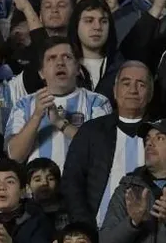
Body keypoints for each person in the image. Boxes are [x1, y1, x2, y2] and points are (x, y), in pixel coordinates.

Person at [63, 61, 152, 228]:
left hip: (148, 233)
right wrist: (85, 227)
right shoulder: (91, 132)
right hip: (97, 229)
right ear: (115, 91)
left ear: (150, 94)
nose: (133, 90)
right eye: (126, 83)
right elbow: (72, 182)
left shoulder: (161, 134)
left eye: (141, 84)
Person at [6, 37, 113, 170]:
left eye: (67, 57)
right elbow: (15, 156)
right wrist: (36, 116)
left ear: (78, 68)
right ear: (41, 73)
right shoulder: (23, 104)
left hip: (82, 185)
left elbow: (100, 150)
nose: (60, 63)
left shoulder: (97, 102)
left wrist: (60, 123)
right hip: (38, 187)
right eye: (51, 58)